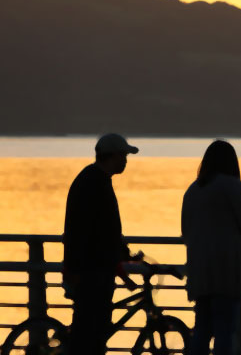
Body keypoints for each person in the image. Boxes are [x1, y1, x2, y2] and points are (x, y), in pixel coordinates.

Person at [63, 133, 142, 355]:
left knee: (91, 331)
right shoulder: (94, 183)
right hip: (92, 272)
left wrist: (122, 252)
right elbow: (93, 229)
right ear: (113, 156)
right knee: (90, 333)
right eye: (123, 156)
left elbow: (103, 228)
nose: (126, 161)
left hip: (93, 270)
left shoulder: (93, 179)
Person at [182, 140, 241, 355]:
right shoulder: (232, 185)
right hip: (226, 271)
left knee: (202, 329)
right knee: (225, 329)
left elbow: (185, 230)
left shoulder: (193, 190)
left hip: (199, 271)